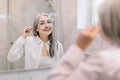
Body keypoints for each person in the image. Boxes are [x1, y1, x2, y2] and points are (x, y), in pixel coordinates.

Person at [47, 0, 120, 80]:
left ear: (107, 25)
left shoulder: (104, 61)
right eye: (42, 23)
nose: (98, 24)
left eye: (100, 19)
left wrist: (78, 47)